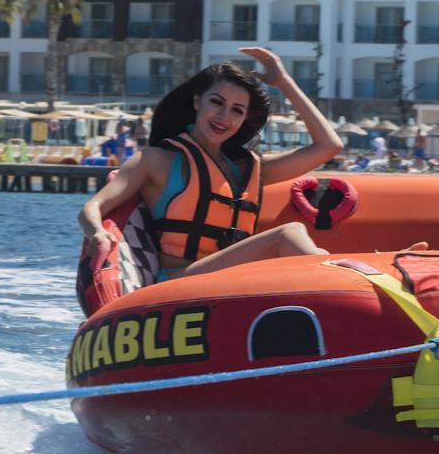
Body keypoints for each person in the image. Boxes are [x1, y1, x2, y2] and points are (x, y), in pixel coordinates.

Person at [78, 48, 343, 280]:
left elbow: (329, 146)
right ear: (197, 101)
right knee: (290, 233)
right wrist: (98, 233)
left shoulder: (247, 169)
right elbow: (93, 207)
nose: (223, 116)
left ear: (243, 120)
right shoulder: (156, 160)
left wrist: (284, 83)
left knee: (314, 252)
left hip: (230, 281)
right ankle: (337, 290)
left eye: (237, 110)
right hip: (178, 283)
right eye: (216, 102)